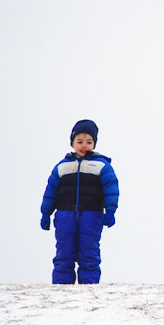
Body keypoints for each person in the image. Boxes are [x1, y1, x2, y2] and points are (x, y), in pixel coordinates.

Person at [40, 119, 119, 284]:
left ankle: (88, 288)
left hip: (91, 216)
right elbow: (50, 191)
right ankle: (62, 288)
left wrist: (110, 211)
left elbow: (111, 188)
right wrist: (46, 213)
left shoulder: (101, 165)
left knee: (89, 253)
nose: (84, 145)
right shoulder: (62, 167)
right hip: (64, 216)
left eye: (89, 142)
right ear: (72, 143)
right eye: (80, 141)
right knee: (64, 253)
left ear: (94, 144)